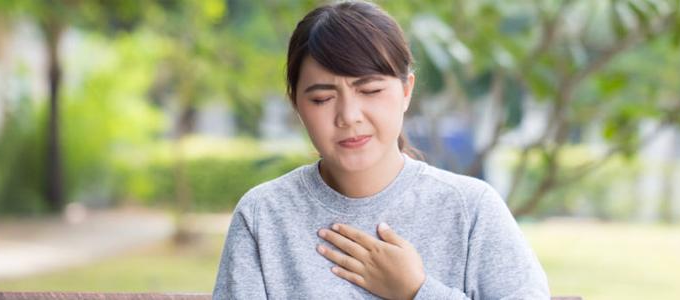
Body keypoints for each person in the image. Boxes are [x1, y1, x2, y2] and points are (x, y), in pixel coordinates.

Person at [212, 1, 549, 299]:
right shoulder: (263, 216)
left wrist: (416, 292)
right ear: (297, 106)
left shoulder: (471, 209)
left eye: (370, 90)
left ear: (406, 91)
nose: (348, 116)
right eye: (322, 99)